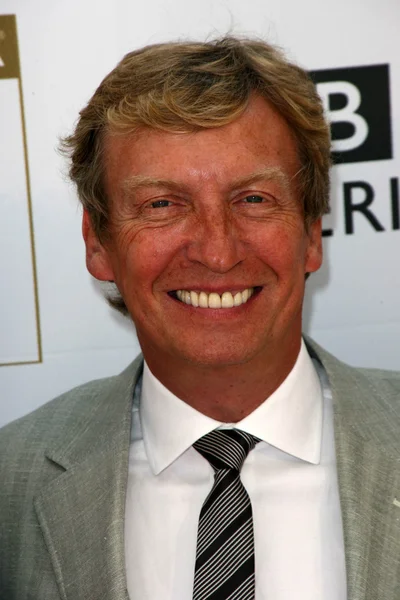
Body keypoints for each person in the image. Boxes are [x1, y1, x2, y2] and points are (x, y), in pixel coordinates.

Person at [0, 36, 399, 600]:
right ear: (99, 245)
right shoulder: (9, 483)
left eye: (254, 199)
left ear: (312, 233)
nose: (217, 252)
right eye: (163, 204)